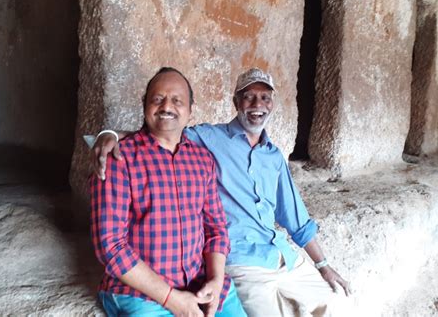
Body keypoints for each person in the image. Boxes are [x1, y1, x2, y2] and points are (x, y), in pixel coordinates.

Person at [92, 68, 351, 316]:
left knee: (337, 303)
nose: (256, 104)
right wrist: (109, 134)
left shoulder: (264, 156)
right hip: (239, 263)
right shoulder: (208, 139)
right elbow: (162, 131)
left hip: (274, 256)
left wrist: (323, 265)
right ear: (236, 102)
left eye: (264, 98)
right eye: (248, 96)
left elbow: (292, 217)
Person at [90, 67, 247, 317]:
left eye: (177, 100)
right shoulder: (119, 158)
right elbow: (110, 246)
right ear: (144, 105)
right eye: (157, 99)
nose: (166, 107)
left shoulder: (202, 160)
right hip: (141, 295)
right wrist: (170, 299)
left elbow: (216, 228)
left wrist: (216, 281)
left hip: (200, 286)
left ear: (190, 110)